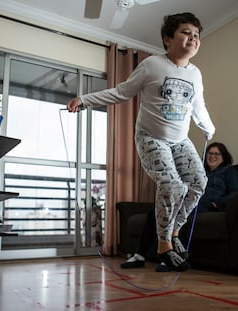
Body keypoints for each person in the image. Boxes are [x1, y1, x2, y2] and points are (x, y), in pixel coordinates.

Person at [67, 13, 215, 272]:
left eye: (196, 35)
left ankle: (175, 231)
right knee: (170, 184)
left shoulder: (196, 74)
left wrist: (208, 127)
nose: (193, 38)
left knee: (199, 183)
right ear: (167, 39)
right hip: (151, 138)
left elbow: (198, 107)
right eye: (185, 32)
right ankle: (163, 246)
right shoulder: (151, 66)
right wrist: (85, 99)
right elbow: (122, 92)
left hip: (180, 141)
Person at [121, 142, 238, 270]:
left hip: (206, 207)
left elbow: (236, 192)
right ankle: (139, 256)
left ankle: (170, 258)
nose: (212, 156)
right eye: (210, 153)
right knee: (157, 212)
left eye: (216, 154)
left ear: (224, 157)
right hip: (188, 201)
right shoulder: (199, 171)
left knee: (177, 216)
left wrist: (217, 203)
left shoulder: (229, 172)